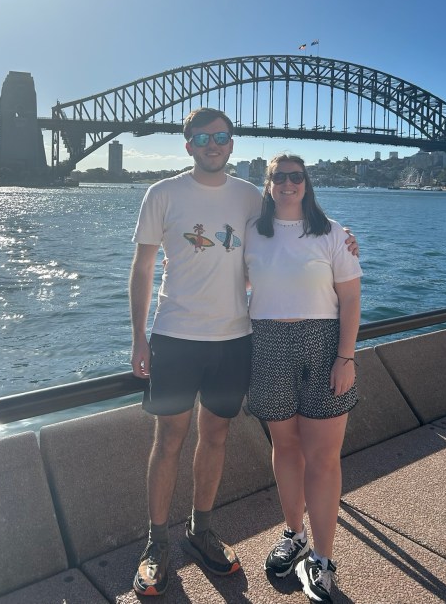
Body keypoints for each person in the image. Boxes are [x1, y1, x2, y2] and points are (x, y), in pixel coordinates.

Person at [129, 111, 358, 597]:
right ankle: (155, 544)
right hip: (175, 335)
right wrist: (138, 336)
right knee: (168, 438)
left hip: (235, 338)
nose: (213, 144)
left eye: (222, 137)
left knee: (215, 436)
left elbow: (284, 246)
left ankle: (201, 531)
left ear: (232, 144)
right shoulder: (161, 194)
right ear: (188, 144)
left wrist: (343, 240)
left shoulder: (250, 198)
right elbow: (143, 269)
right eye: (203, 137)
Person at [244, 154, 362, 604]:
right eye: (281, 177)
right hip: (267, 344)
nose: (289, 184)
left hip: (322, 344)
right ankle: (294, 533)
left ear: (307, 184)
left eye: (297, 177)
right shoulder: (253, 232)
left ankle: (323, 559)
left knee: (324, 457)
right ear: (269, 184)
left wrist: (345, 358)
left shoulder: (333, 233)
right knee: (285, 448)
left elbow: (350, 301)